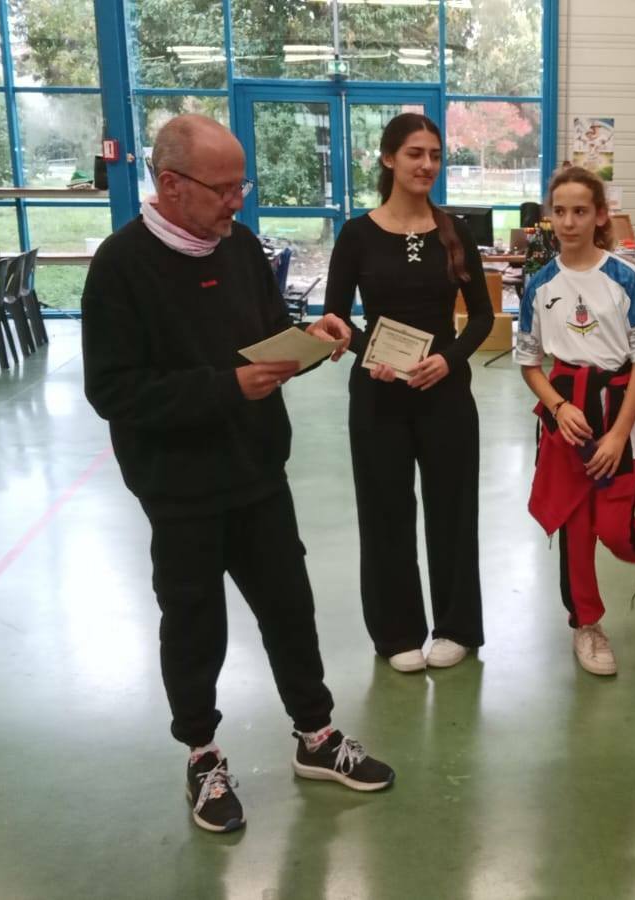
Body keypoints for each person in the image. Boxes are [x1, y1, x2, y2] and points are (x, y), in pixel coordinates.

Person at [82, 114, 395, 835]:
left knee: (290, 609)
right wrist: (227, 387)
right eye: (222, 189)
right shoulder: (121, 266)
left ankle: (316, 736)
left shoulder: (242, 246)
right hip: (179, 488)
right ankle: (202, 754)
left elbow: (262, 338)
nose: (236, 202)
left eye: (240, 186)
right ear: (169, 184)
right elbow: (114, 390)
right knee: (194, 625)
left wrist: (309, 339)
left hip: (257, 471)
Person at [324, 113, 492, 673]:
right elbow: (335, 320)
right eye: (416, 153)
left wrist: (448, 360)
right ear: (388, 158)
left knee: (453, 511)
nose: (427, 165)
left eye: (435, 155)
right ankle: (396, 632)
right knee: (385, 512)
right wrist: (366, 354)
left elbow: (482, 317)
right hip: (379, 396)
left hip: (445, 393)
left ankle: (456, 627)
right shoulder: (356, 235)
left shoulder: (455, 231)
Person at [516, 165, 635, 676]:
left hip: (616, 410)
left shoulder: (625, 277)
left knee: (614, 530)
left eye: (580, 211)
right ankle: (586, 624)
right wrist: (558, 408)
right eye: (559, 211)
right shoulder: (540, 284)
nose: (568, 222)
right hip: (567, 415)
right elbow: (529, 363)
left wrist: (621, 432)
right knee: (575, 529)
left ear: (600, 215)